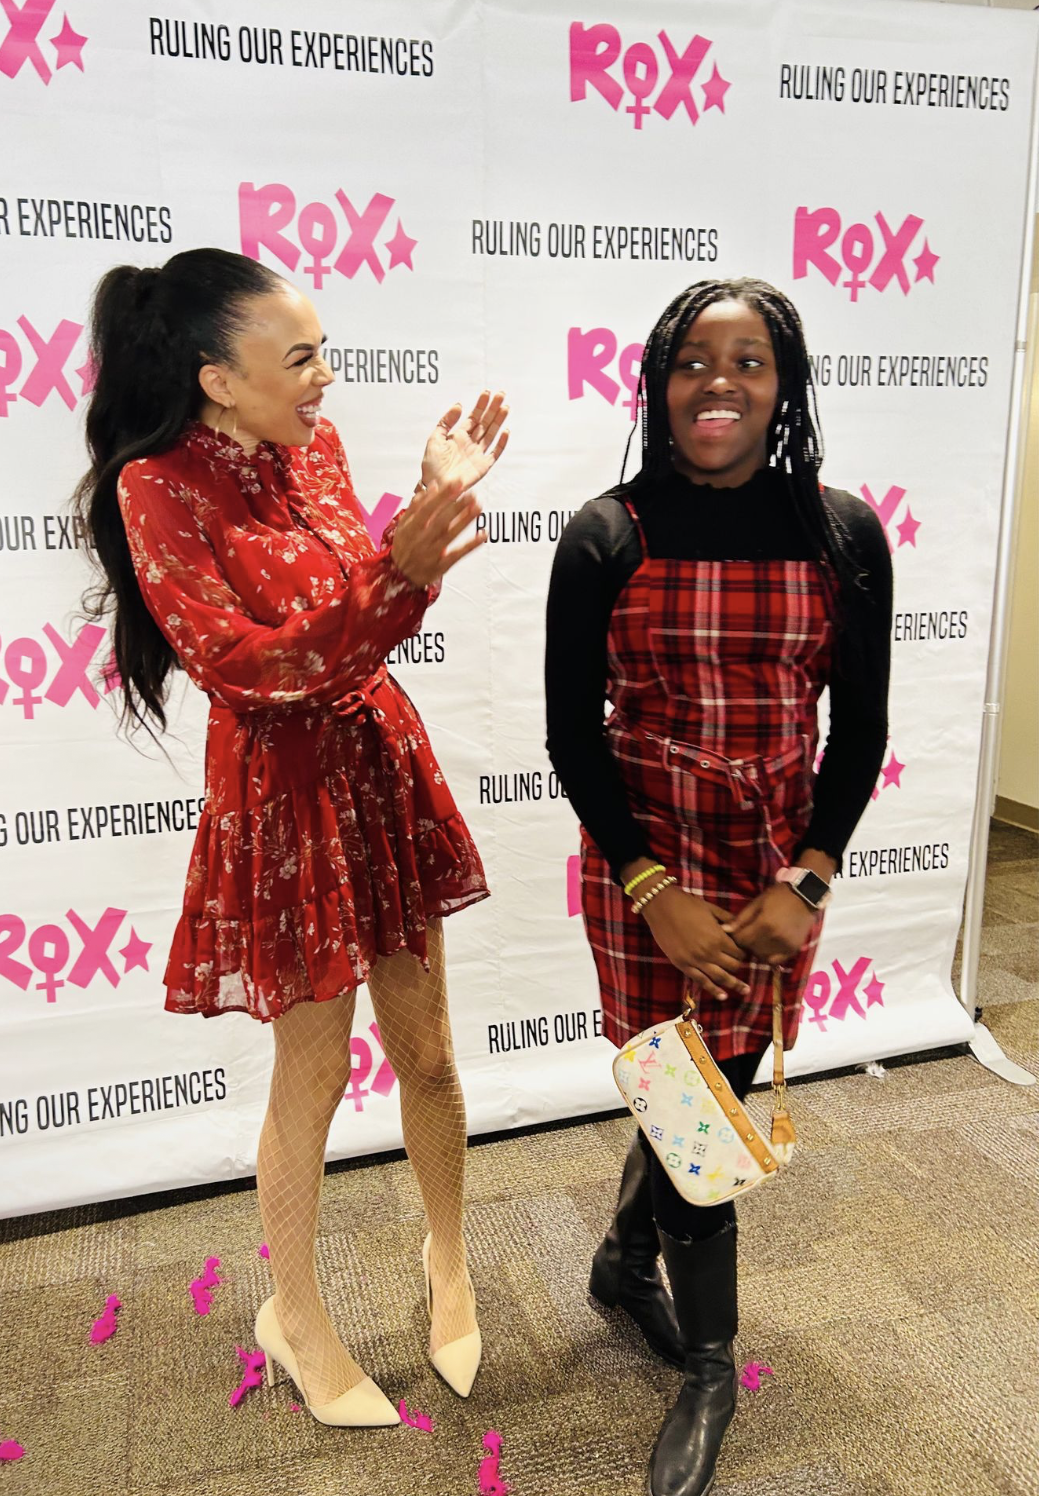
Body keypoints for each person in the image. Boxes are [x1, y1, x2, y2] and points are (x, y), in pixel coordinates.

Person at [74, 247, 508, 1426]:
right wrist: (398, 575)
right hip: (283, 797)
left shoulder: (315, 445)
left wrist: (419, 515)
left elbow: (351, 610)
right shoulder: (155, 485)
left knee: (428, 1050)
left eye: (323, 349)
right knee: (310, 1074)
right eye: (301, 356)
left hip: (375, 767)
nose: (326, 376)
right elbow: (251, 667)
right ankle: (296, 1313)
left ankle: (448, 1258)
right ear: (217, 377)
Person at [545, 278, 890, 1496]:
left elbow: (857, 736)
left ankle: (625, 1262)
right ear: (658, 378)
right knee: (690, 1114)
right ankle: (708, 1366)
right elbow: (570, 738)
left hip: (769, 876)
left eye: (750, 362)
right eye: (696, 361)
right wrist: (652, 887)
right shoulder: (605, 533)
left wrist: (806, 877)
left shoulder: (843, 533)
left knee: (712, 1088)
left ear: (783, 385)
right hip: (645, 865)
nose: (720, 386)